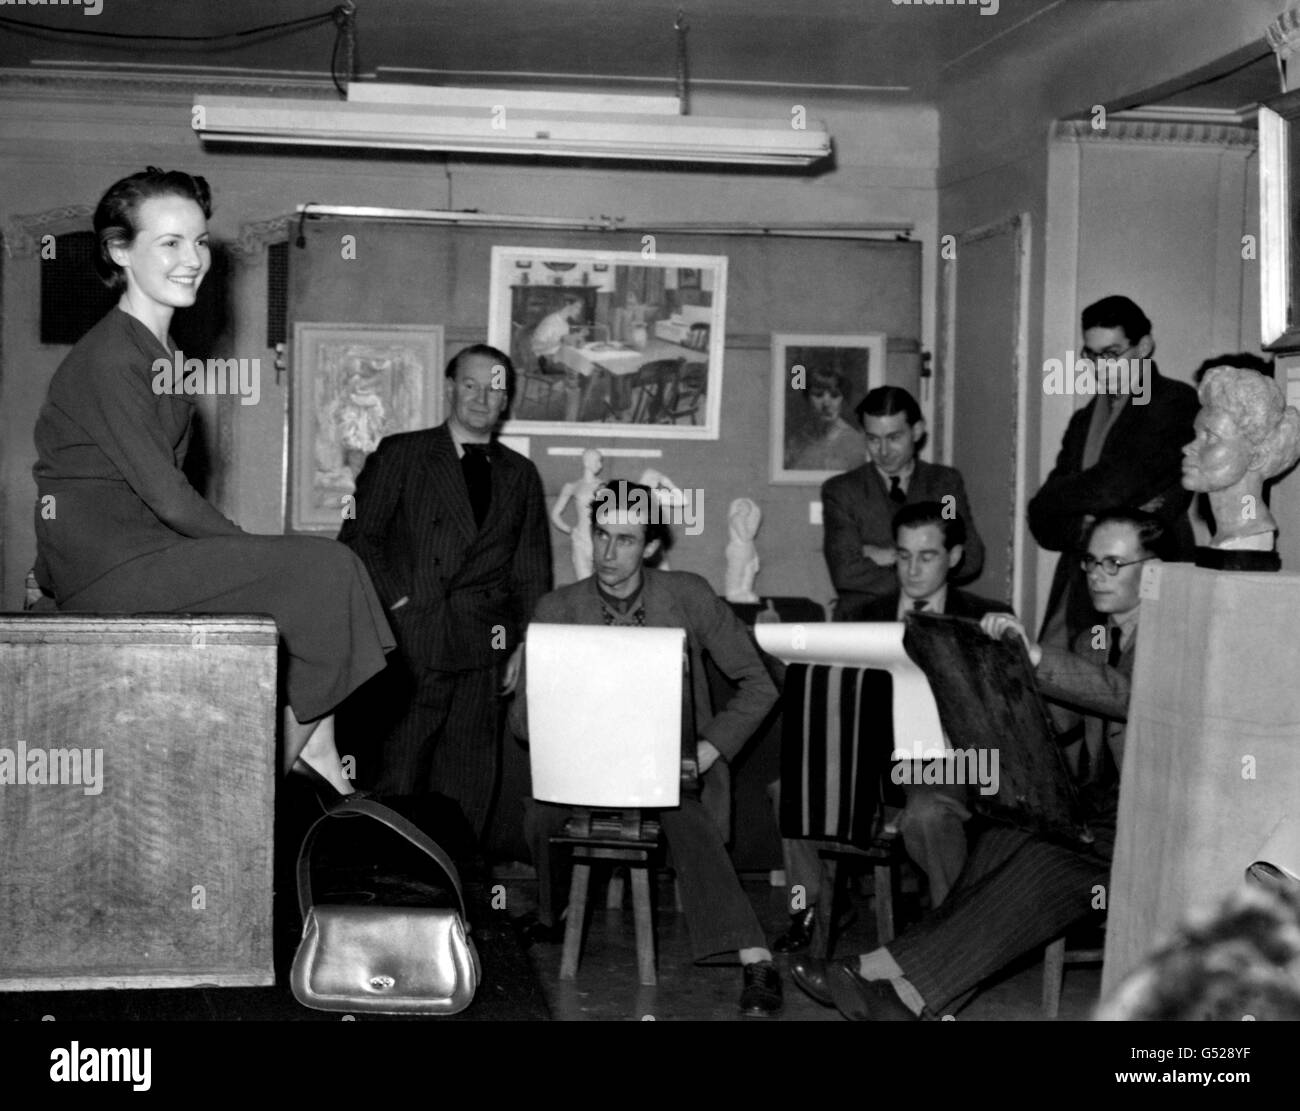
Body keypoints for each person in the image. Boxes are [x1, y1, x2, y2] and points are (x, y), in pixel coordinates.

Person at [31, 167, 395, 798]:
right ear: (120, 251)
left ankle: (317, 744)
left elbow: (88, 470)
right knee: (326, 571)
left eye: (198, 241)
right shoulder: (114, 356)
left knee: (325, 580)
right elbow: (164, 494)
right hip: (117, 565)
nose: (192, 259)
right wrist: (242, 547)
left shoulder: (158, 353)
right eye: (168, 243)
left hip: (130, 555)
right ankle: (265, 786)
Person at [790, 509, 1160, 1020]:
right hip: (1081, 811)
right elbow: (1059, 727)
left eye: (1113, 563)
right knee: (1002, 838)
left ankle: (904, 989)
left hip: (1126, 825)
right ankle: (893, 978)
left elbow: (1124, 695)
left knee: (1029, 855)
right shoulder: (1090, 639)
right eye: (1091, 561)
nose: (1096, 574)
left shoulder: (1172, 641)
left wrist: (1028, 658)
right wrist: (1005, 667)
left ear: (1156, 570)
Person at [509, 480, 784, 1017]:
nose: (608, 554)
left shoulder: (688, 594)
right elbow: (523, 728)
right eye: (602, 536)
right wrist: (533, 670)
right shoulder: (558, 607)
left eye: (627, 540)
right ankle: (554, 912)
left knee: (689, 818)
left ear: (652, 545)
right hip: (584, 769)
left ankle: (756, 959)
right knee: (541, 816)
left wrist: (708, 749)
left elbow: (761, 683)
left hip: (670, 767)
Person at [772, 502, 1012, 953]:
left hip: (952, 763)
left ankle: (952, 933)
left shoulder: (986, 618)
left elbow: (1004, 715)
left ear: (955, 556)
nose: (913, 569)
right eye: (903, 556)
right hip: (875, 762)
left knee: (928, 812)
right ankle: (811, 914)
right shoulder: (862, 615)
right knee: (791, 789)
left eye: (928, 556)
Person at [338, 344, 551, 841]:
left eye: (493, 388)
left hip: (485, 649)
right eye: (471, 385)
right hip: (408, 646)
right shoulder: (402, 453)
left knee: (469, 786)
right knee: (396, 778)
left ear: (506, 400)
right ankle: (386, 902)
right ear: (451, 389)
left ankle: (458, 904)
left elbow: (531, 571)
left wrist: (523, 643)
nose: (481, 397)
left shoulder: (520, 475)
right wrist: (399, 603)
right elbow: (357, 538)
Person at [1030, 295, 1197, 648]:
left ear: (1144, 347)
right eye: (1091, 355)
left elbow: (1114, 488)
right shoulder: (1084, 418)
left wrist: (1054, 499)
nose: (1100, 367)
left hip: (1145, 577)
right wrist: (1081, 524)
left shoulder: (1172, 400)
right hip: (1082, 581)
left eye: (1111, 354)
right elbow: (1042, 523)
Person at [822, 386, 984, 619]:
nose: (884, 451)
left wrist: (890, 555)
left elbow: (970, 558)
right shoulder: (842, 491)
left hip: (932, 621)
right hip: (863, 623)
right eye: (873, 439)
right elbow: (845, 571)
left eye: (894, 438)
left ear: (917, 431)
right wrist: (931, 564)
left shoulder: (944, 487)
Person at [1181, 365, 1300, 553]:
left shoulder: (1251, 531)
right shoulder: (1233, 530)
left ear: (1256, 457)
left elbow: (1248, 508)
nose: (1188, 448)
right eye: (1196, 435)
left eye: (1211, 437)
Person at [784, 365, 868, 472]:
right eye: (818, 395)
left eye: (834, 395)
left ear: (843, 399)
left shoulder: (856, 443)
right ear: (807, 399)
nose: (826, 404)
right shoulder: (795, 442)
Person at [549, 447, 604, 580]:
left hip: (600, 539)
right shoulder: (572, 486)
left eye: (600, 461)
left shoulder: (604, 486)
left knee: (603, 582)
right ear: (586, 463)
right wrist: (570, 530)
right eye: (597, 461)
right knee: (583, 582)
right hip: (580, 539)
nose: (600, 465)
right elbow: (555, 514)